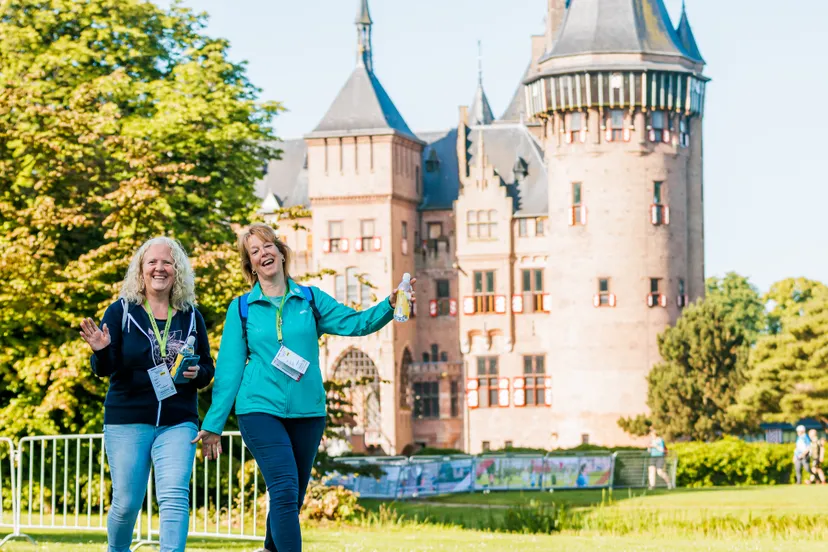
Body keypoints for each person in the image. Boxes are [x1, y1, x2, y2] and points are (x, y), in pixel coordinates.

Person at [193, 223, 414, 552]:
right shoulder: (242, 309)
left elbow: (356, 323)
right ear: (250, 266)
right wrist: (213, 424)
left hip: (308, 412)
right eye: (255, 251)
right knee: (283, 489)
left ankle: (269, 548)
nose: (263, 253)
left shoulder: (309, 300)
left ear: (281, 253)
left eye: (268, 246)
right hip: (258, 409)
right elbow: (228, 371)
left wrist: (390, 303)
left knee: (291, 497)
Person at [79, 237, 215, 552]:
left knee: (174, 496)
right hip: (128, 419)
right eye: (152, 262)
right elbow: (103, 368)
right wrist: (100, 351)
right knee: (126, 503)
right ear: (141, 270)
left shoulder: (191, 315)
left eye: (167, 262)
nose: (159, 268)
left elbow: (208, 368)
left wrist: (199, 374)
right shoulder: (120, 312)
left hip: (178, 421)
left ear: (177, 269)